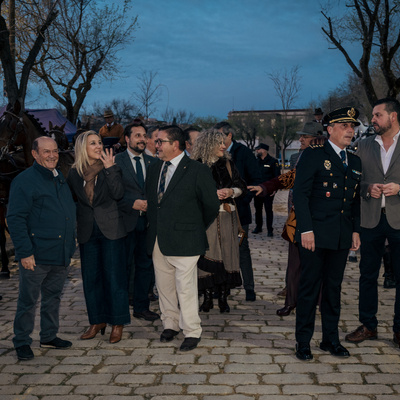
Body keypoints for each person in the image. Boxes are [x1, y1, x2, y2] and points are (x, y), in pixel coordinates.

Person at [293, 107, 362, 361]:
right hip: (314, 235)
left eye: (352, 127)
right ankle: (303, 341)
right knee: (309, 288)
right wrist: (306, 230)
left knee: (333, 289)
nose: (350, 131)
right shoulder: (313, 156)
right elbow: (300, 195)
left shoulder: (354, 161)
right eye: (345, 126)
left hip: (341, 235)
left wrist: (355, 230)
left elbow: (354, 200)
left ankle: (330, 339)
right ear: (330, 129)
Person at [146, 125, 220, 351]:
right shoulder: (154, 168)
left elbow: (211, 205)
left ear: (175, 144)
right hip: (158, 238)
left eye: (161, 142)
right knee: (164, 286)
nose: (156, 145)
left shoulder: (197, 170)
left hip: (186, 239)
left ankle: (191, 331)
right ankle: (170, 324)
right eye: (156, 141)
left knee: (185, 288)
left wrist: (193, 227)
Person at [7, 136, 76, 361]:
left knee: (53, 298)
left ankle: (48, 336)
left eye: (55, 151)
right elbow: (15, 218)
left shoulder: (58, 177)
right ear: (35, 154)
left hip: (60, 252)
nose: (52, 155)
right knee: (28, 301)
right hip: (36, 254)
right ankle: (21, 341)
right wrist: (24, 252)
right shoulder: (24, 181)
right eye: (46, 151)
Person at [248, 122, 324, 317]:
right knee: (294, 265)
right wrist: (265, 187)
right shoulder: (302, 156)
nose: (300, 139)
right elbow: (290, 177)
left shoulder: (327, 157)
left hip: (320, 221)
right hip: (296, 220)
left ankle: (321, 302)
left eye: (305, 137)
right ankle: (291, 301)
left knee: (319, 265)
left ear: (317, 138)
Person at [345, 98, 400, 348]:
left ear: (393, 116)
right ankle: (368, 325)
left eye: (378, 115)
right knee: (367, 275)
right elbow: (353, 182)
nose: (373, 120)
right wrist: (368, 188)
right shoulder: (363, 145)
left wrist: (399, 188)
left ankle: (399, 330)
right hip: (370, 220)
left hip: (399, 220)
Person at [67, 131, 130, 344]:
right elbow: (73, 200)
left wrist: (110, 169)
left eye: (99, 142)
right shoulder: (74, 173)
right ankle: (97, 321)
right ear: (82, 148)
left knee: (114, 277)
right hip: (87, 231)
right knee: (91, 279)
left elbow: (118, 193)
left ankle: (117, 323)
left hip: (111, 229)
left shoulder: (111, 167)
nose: (98, 146)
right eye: (92, 143)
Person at [191, 129, 245, 313]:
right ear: (208, 144)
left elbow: (241, 186)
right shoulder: (196, 166)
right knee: (208, 255)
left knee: (228, 255)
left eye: (224, 142)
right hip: (206, 219)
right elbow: (190, 191)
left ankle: (223, 297)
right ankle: (207, 298)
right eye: (219, 143)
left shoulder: (228, 164)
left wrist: (231, 192)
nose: (223, 146)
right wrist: (209, 194)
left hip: (228, 216)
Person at [115, 119, 160, 321]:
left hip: (148, 224)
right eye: (137, 136)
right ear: (127, 139)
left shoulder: (154, 163)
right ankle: (120, 307)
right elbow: (110, 192)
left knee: (145, 266)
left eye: (144, 136)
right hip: (124, 223)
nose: (142, 139)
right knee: (122, 267)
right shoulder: (116, 162)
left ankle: (142, 307)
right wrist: (131, 203)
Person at [214, 122, 262, 301]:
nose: (218, 141)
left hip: (240, 212)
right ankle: (223, 288)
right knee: (221, 251)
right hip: (219, 213)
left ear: (229, 136)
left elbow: (255, 179)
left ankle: (249, 288)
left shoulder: (244, 152)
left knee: (242, 249)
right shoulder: (214, 153)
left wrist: (244, 199)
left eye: (220, 136)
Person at [252, 143, 280, 236]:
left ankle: (269, 229)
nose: (257, 151)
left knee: (268, 210)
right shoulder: (255, 161)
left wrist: (275, 189)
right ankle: (258, 227)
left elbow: (277, 176)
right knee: (258, 209)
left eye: (258, 149)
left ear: (264, 150)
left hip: (268, 190)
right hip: (257, 189)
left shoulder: (273, 161)